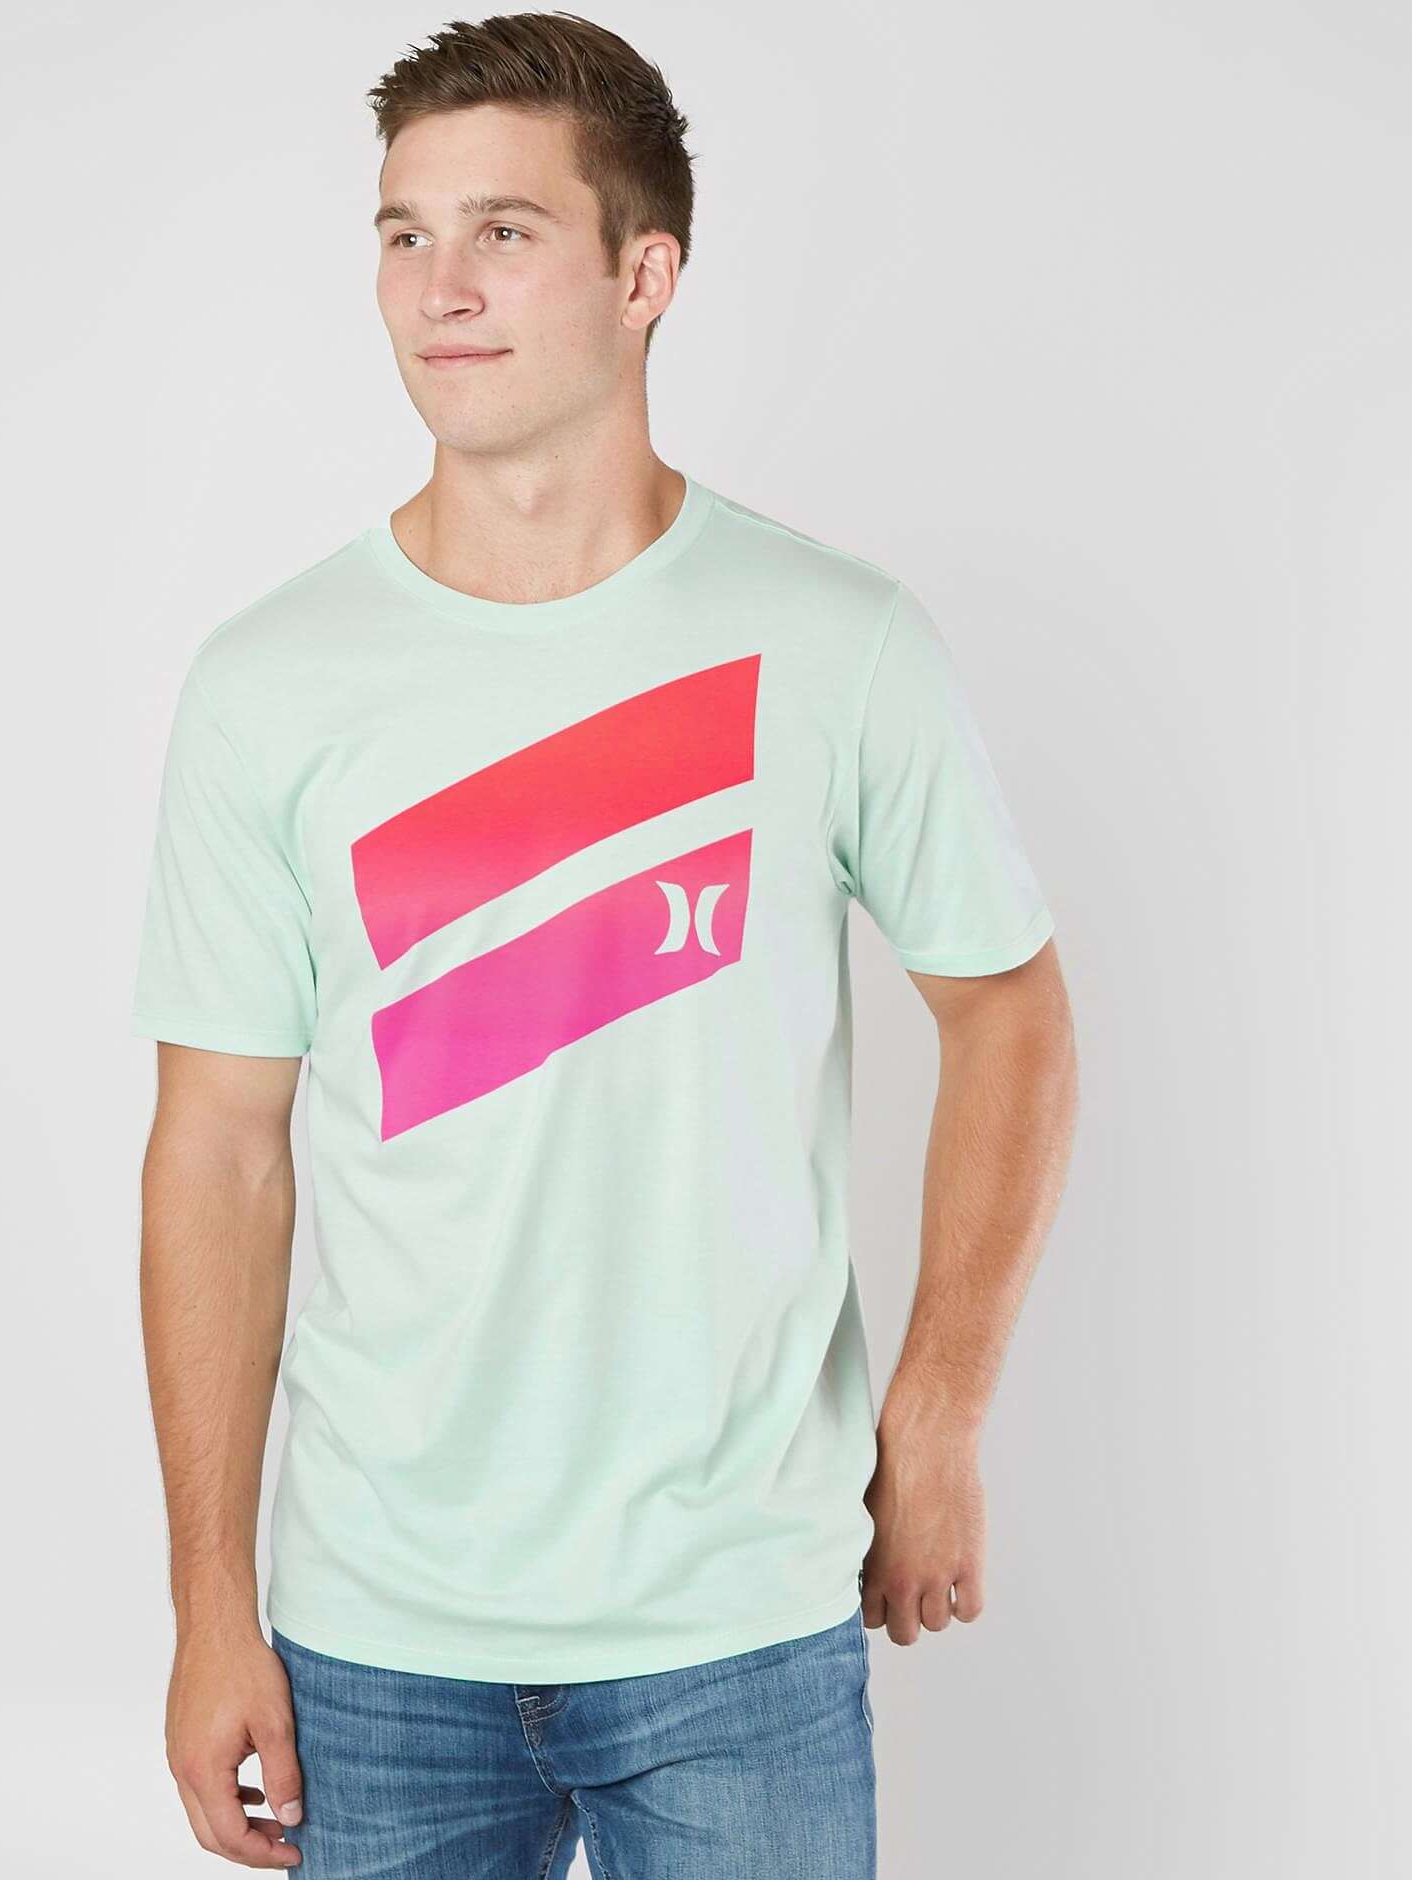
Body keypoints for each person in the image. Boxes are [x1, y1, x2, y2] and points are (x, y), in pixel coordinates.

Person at [129, 14, 1079, 1874]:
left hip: (739, 1623)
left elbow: (1011, 1009)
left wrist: (944, 1404)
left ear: (646, 276)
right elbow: (218, 1148)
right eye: (404, 234)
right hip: (376, 1636)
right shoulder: (269, 685)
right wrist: (206, 1602)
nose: (439, 289)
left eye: (503, 232)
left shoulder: (834, 640)